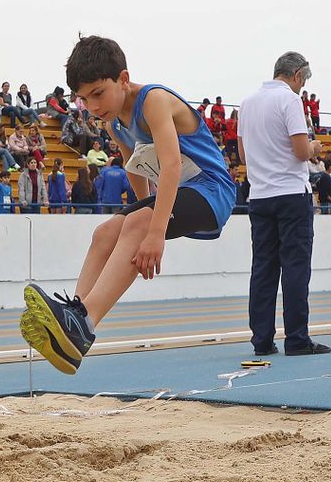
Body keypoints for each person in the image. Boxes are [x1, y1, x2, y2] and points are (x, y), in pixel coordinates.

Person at [20, 36, 237, 374]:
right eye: (84, 99)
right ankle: (73, 324)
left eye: (98, 93)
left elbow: (171, 165)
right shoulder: (113, 123)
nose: (92, 106)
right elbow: (135, 167)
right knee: (105, 232)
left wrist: (154, 232)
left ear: (123, 79)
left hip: (214, 190)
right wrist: (138, 220)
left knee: (137, 224)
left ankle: (83, 324)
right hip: (182, 190)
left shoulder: (153, 101)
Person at [238, 51, 330, 357]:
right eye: (303, 81)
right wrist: (314, 146)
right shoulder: (290, 100)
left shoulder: (247, 103)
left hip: (260, 195)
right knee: (295, 267)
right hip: (291, 193)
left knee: (263, 269)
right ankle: (297, 338)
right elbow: (301, 152)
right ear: (297, 75)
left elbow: (242, 155)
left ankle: (262, 340)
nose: (302, 87)